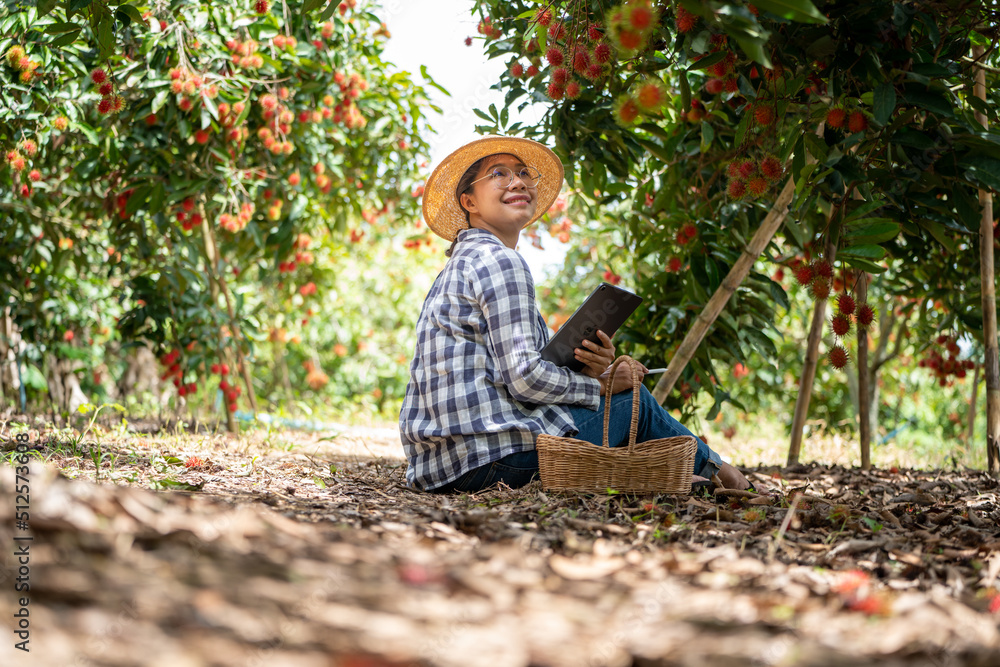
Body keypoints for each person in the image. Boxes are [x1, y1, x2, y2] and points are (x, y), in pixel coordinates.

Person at [399, 135, 750, 493]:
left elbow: (509, 377)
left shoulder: (461, 265)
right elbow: (524, 379)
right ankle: (729, 478)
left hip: (441, 467)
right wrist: (600, 385)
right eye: (499, 174)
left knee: (620, 399)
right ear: (469, 201)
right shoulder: (500, 260)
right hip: (488, 459)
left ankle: (684, 476)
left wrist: (590, 369)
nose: (518, 181)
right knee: (633, 403)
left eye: (522, 172)